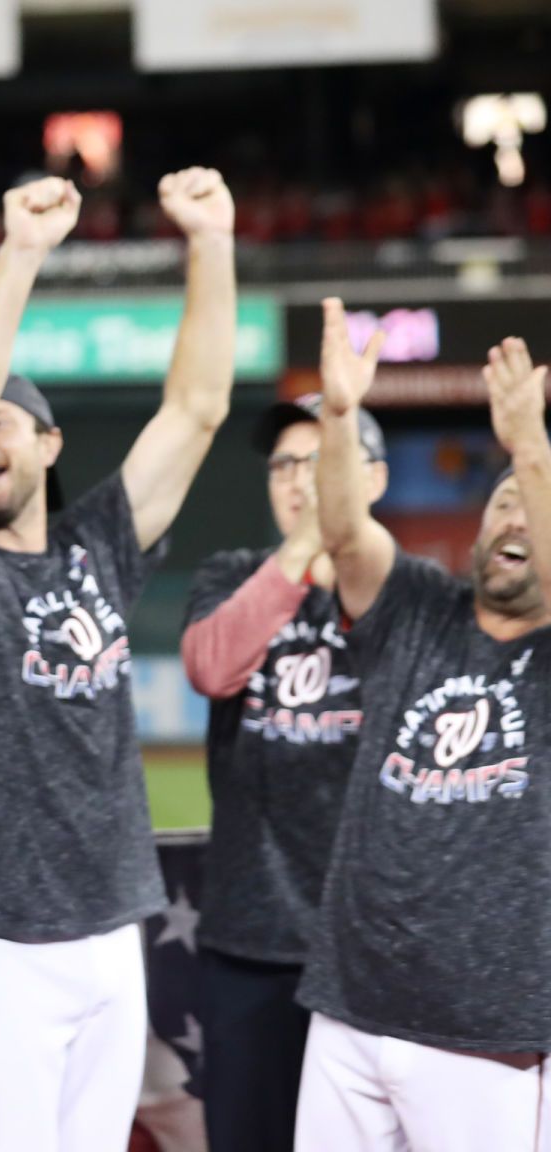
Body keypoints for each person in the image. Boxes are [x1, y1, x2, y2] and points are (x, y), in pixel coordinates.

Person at [0, 168, 236, 1152]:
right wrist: (20, 253)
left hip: (110, 920)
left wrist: (208, 242)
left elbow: (198, 408)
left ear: (47, 443)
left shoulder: (99, 547)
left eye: (6, 418)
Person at [292, 307, 551, 1150]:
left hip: (489, 1029)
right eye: (500, 503)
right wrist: (336, 418)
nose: (512, 518)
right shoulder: (417, 607)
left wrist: (530, 450)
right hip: (351, 1005)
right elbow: (342, 533)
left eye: (531, 507)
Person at [181, 390, 387, 1152]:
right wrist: (301, 551)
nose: (299, 480)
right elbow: (210, 667)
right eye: (283, 467)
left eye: (322, 462)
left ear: (375, 479)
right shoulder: (231, 574)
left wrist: (344, 563)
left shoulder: (416, 596)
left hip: (367, 946)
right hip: (249, 941)